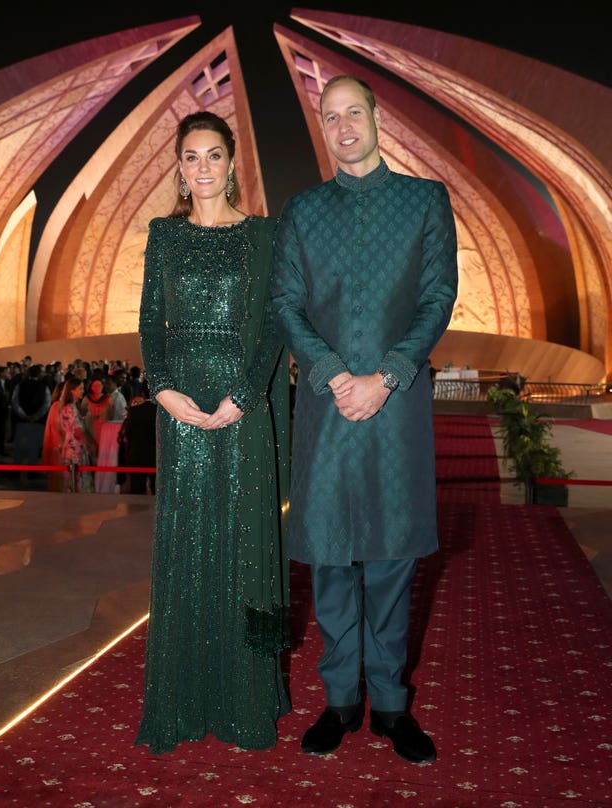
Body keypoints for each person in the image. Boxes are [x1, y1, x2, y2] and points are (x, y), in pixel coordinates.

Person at [271, 75, 459, 763]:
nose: (344, 125)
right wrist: (332, 375)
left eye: (355, 112)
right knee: (328, 562)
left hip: (395, 409)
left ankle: (392, 705)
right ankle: (340, 702)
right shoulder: (303, 212)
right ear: (323, 127)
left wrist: (387, 376)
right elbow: (287, 303)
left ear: (377, 118)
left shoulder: (423, 201)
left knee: (389, 561)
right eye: (331, 116)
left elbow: (437, 298)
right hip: (326, 413)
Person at [134, 110, 290, 754]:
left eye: (214, 156)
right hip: (182, 412)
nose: (202, 167)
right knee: (187, 545)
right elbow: (150, 323)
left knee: (245, 548)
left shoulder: (264, 236)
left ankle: (247, 699)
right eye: (191, 156)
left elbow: (278, 324)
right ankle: (182, 698)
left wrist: (244, 395)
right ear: (179, 166)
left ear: (232, 165)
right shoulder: (162, 237)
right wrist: (162, 389)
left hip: (240, 412)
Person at [58, 377, 95, 493]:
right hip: (75, 449)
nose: (83, 391)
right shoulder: (70, 408)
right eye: (80, 388)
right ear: (72, 390)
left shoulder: (69, 407)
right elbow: (77, 429)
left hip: (72, 446)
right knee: (77, 481)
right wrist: (88, 444)